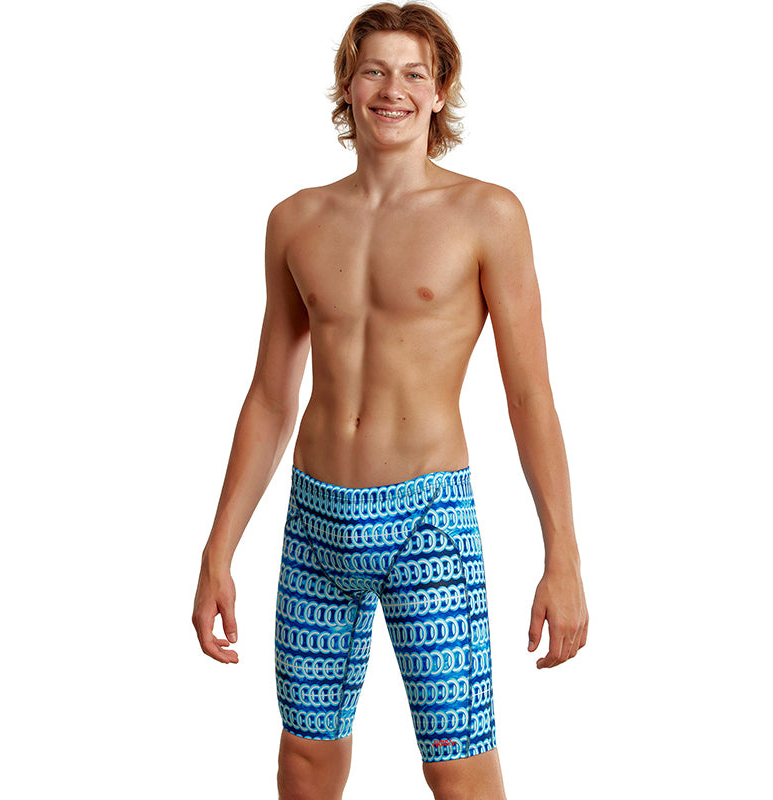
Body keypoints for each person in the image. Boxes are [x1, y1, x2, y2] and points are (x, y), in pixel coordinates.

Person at [192, 3, 588, 798]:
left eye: (413, 73)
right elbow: (270, 395)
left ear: (440, 93)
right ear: (349, 85)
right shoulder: (295, 220)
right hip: (315, 522)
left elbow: (530, 395)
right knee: (304, 760)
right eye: (374, 70)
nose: (392, 90)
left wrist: (564, 557)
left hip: (427, 523)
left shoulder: (487, 214)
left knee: (458, 767)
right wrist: (217, 549)